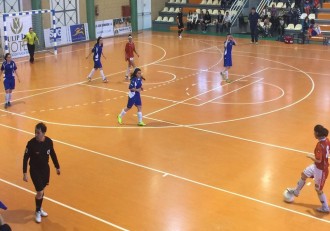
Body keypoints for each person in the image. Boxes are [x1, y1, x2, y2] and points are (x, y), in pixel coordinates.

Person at [23, 122, 61, 223]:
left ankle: (39, 207)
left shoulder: (49, 142)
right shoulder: (31, 143)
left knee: (42, 191)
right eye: (35, 132)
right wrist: (25, 173)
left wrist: (57, 166)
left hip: (45, 170)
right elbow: (25, 158)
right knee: (40, 191)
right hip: (34, 170)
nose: (36, 134)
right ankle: (37, 211)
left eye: (38, 132)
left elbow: (52, 154)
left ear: (43, 133)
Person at [287, 125, 330, 213]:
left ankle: (325, 207)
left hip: (321, 170)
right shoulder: (327, 140)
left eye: (314, 132)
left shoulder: (320, 145)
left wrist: (310, 156)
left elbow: (319, 160)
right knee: (304, 174)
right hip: (316, 167)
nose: (313, 134)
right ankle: (296, 191)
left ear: (317, 133)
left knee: (318, 190)